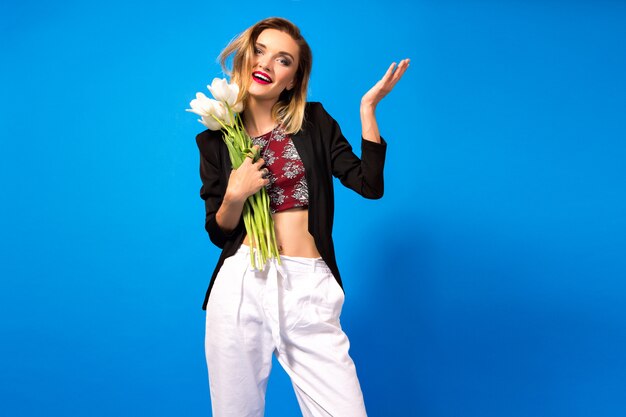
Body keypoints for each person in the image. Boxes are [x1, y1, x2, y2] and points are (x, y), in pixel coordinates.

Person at [195, 17, 409, 417]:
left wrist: (368, 108)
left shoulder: (315, 121)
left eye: (283, 60)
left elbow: (369, 184)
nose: (267, 64)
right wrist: (236, 193)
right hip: (241, 282)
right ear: (245, 57)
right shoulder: (214, 138)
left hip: (307, 284)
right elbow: (217, 227)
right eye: (260, 51)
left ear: (293, 79)